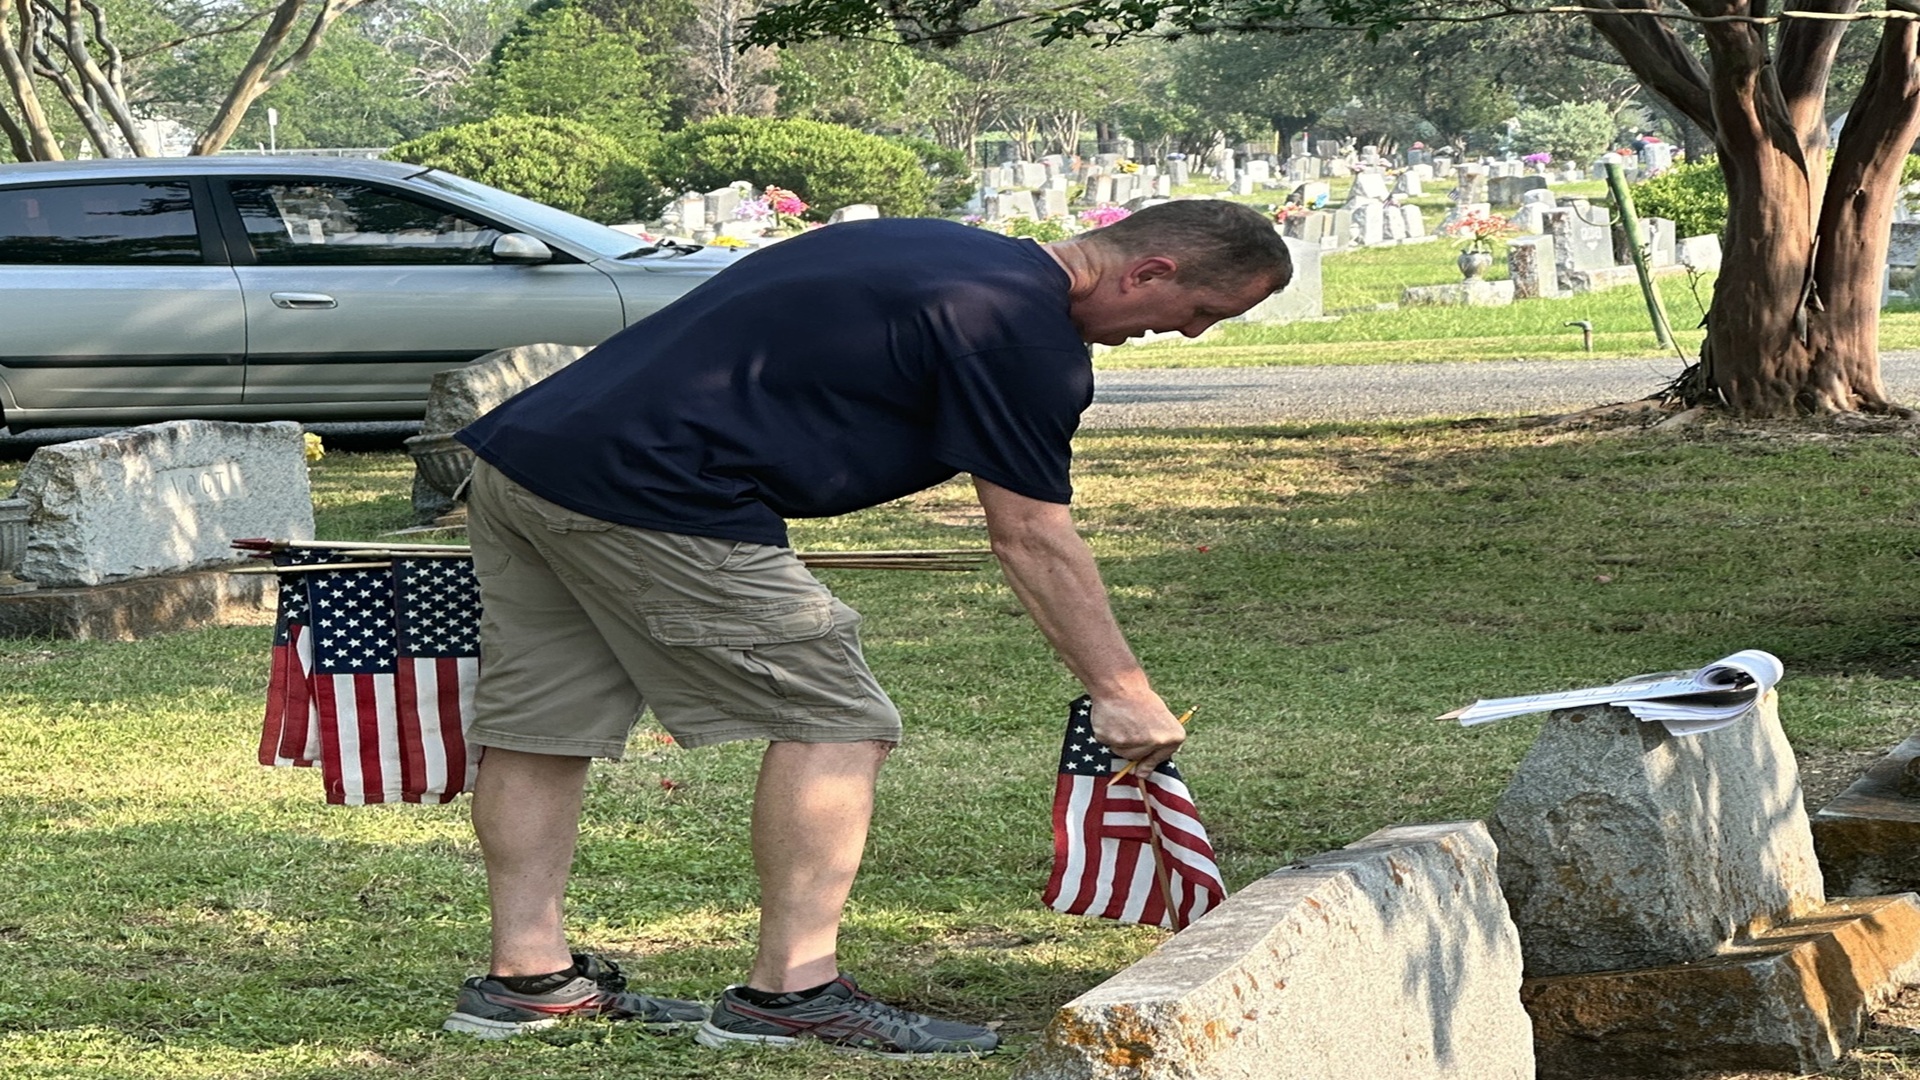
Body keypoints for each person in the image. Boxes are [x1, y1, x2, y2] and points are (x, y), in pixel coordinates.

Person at [440, 199, 1293, 1058]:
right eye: (1199, 315)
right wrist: (1122, 690)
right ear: (1150, 272)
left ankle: (528, 980)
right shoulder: (1022, 336)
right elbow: (1031, 533)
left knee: (541, 726)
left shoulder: (928, 245)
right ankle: (792, 991)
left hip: (526, 457)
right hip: (656, 489)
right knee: (839, 719)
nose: (1186, 336)